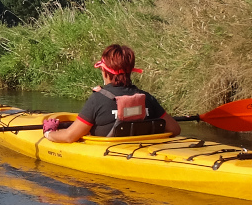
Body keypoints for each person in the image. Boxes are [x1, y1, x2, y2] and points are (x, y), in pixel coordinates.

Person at [42, 44, 180, 142]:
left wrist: (49, 133)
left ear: (105, 71)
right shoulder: (147, 98)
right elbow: (175, 129)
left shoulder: (98, 99)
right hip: (143, 151)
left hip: (110, 154)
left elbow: (69, 137)